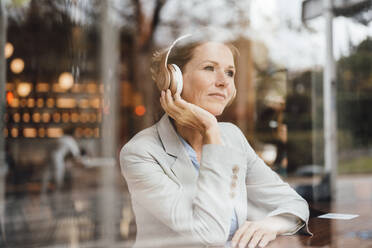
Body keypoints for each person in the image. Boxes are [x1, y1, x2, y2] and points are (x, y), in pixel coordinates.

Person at [120, 34, 310, 248]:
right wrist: (210, 130)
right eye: (209, 68)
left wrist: (271, 224)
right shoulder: (140, 152)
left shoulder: (232, 136)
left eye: (230, 72)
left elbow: (294, 203)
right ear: (173, 78)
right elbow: (208, 235)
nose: (223, 81)